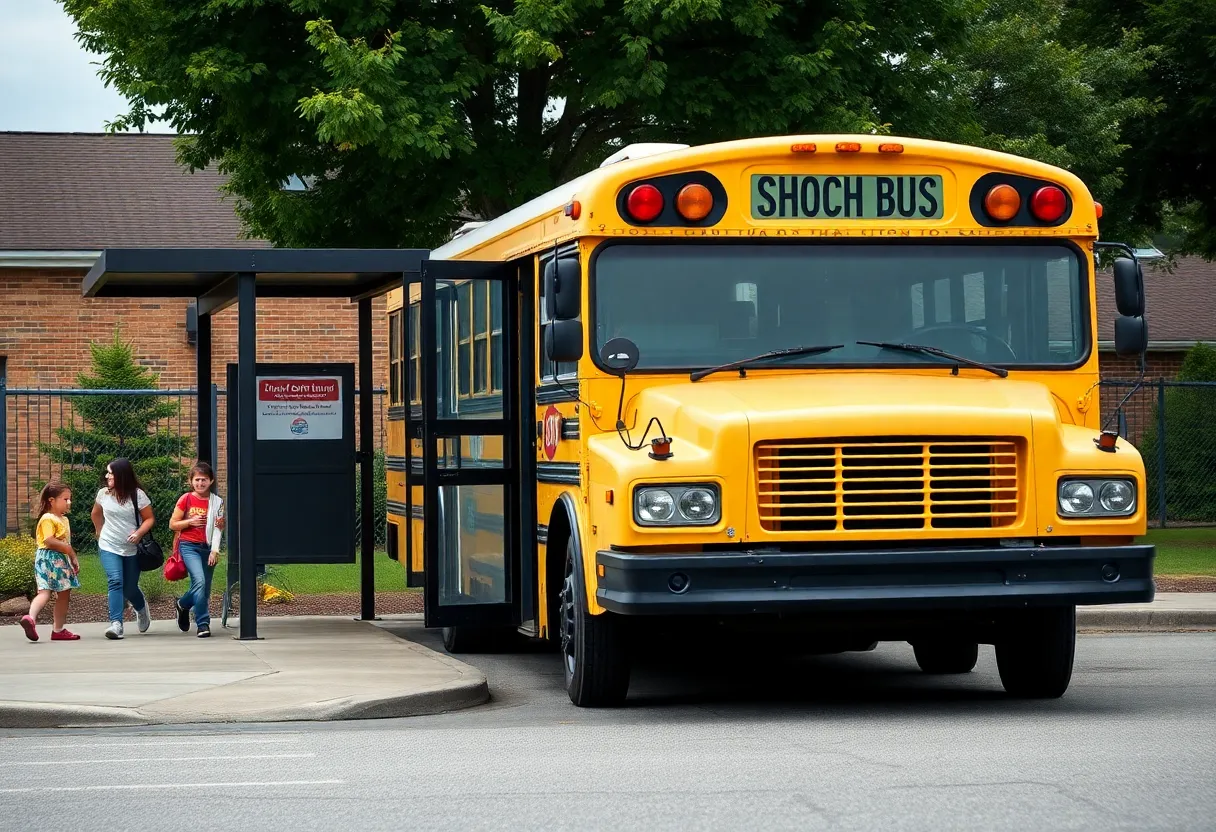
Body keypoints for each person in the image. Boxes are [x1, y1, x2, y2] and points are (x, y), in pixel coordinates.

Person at [91, 457, 154, 640]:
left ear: (121, 475)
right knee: (115, 581)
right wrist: (99, 531)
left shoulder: (137, 495)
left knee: (129, 588)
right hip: (108, 545)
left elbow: (149, 518)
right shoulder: (103, 494)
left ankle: (141, 609)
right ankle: (116, 624)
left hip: (131, 549)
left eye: (110, 473)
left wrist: (139, 533)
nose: (106, 476)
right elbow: (95, 513)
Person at [169, 461, 225, 638]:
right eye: (197, 480)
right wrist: (189, 522)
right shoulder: (186, 499)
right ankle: (203, 624)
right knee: (199, 581)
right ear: (191, 481)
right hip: (188, 546)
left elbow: (219, 528)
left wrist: (214, 551)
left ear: (211, 481)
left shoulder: (217, 502)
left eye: (204, 480)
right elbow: (173, 524)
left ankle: (183, 604)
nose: (200, 484)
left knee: (204, 589)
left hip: (207, 548)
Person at [20, 481, 81, 642]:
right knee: (62, 593)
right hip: (53, 558)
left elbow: (66, 543)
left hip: (46, 560)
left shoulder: (64, 519)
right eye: (65, 499)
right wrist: (69, 552)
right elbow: (49, 540)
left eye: (70, 499)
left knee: (45, 592)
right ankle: (55, 628)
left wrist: (73, 558)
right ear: (51, 500)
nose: (69, 502)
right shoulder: (48, 518)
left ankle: (32, 619)